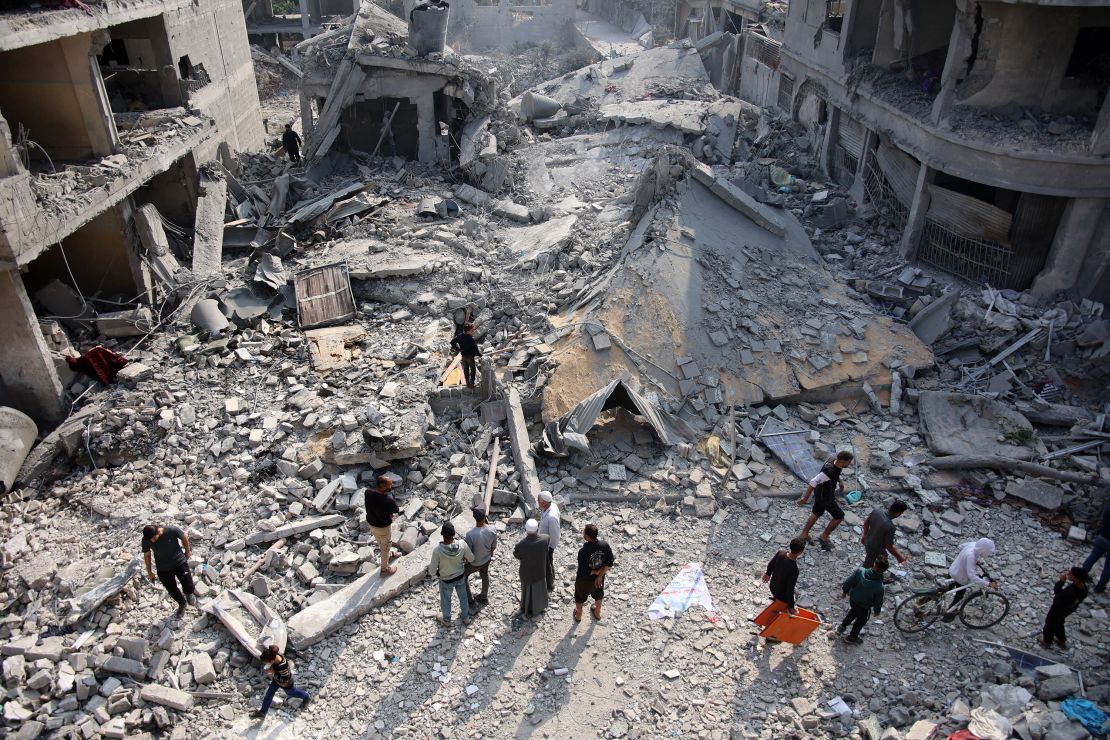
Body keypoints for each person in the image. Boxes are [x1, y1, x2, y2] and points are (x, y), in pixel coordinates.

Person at [797, 451, 853, 551]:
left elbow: (836, 473)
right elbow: (813, 482)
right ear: (845, 461)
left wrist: (840, 481)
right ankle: (824, 536)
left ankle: (804, 534)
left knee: (816, 513)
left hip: (819, 493)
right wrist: (805, 499)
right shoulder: (830, 471)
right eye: (849, 462)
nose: (849, 464)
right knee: (839, 516)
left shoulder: (832, 461)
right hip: (826, 497)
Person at [141, 524, 195, 617]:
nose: (152, 541)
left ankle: (189, 594)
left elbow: (184, 536)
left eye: (154, 538)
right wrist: (149, 572)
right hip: (163, 568)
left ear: (158, 531)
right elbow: (147, 555)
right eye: (150, 540)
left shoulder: (171, 530)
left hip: (179, 562)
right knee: (171, 589)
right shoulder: (146, 539)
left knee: (188, 583)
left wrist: (187, 551)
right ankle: (182, 603)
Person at [428, 523, 475, 626]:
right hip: (460, 576)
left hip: (446, 580)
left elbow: (431, 571)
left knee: (446, 600)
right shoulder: (462, 544)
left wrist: (437, 573)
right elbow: (471, 558)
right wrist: (464, 560)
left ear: (442, 535)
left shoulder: (437, 550)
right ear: (454, 534)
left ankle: (447, 620)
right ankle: (466, 618)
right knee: (463, 597)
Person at [943, 537, 997, 620]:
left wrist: (966, 559)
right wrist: (988, 584)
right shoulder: (971, 556)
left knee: (942, 591)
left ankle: (924, 601)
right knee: (959, 596)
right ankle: (948, 614)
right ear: (983, 550)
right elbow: (971, 576)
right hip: (960, 578)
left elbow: (960, 546)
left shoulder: (973, 544)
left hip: (953, 570)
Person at [251, 645, 311, 719]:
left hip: (286, 683)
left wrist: (272, 672)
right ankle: (263, 712)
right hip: (276, 680)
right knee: (269, 694)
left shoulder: (282, 666)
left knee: (291, 692)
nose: (266, 664)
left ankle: (306, 697)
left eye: (267, 662)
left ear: (272, 660)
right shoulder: (276, 655)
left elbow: (285, 679)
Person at [838, 557, 888, 644]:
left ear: (874, 564)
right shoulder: (880, 587)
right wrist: (877, 611)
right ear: (883, 570)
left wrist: (845, 591)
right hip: (864, 606)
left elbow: (849, 581)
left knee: (853, 612)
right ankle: (852, 637)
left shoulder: (860, 571)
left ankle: (842, 626)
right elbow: (878, 601)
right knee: (861, 621)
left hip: (853, 600)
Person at [573, 524, 615, 623]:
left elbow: (583, 571)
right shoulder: (604, 545)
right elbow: (609, 563)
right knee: (599, 595)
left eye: (584, 532)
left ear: (587, 536)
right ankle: (597, 613)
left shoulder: (583, 552)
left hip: (584, 581)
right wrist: (599, 575)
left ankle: (578, 615)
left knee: (579, 598)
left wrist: (594, 572)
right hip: (599, 579)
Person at [1039, 567, 1089, 649]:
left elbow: (1058, 595)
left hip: (1058, 609)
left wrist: (1061, 582)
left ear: (1076, 579)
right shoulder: (1084, 588)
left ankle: (1046, 641)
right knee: (1059, 623)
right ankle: (1061, 639)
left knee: (1050, 624)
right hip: (1069, 609)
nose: (1068, 574)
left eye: (1070, 574)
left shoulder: (1071, 592)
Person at [513, 519, 550, 618]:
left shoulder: (521, 545)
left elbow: (517, 555)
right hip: (540, 572)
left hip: (527, 573)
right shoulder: (545, 538)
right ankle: (540, 607)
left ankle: (526, 608)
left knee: (526, 591)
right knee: (539, 589)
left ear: (526, 529)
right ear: (537, 528)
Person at [364, 475, 400, 577]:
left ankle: (389, 554)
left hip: (372, 524)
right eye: (390, 485)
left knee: (381, 542)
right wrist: (389, 513)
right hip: (383, 528)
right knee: (385, 547)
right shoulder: (388, 500)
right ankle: (384, 570)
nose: (391, 486)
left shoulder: (368, 492)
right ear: (383, 487)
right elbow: (396, 510)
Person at [762, 537, 806, 616]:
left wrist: (768, 573)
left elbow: (771, 564)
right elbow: (789, 589)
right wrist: (791, 606)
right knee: (791, 599)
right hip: (781, 595)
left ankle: (775, 602)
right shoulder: (794, 570)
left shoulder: (780, 553)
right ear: (800, 552)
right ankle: (775, 613)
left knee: (780, 595)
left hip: (773, 587)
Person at [464, 508, 497, 608]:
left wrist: (465, 563)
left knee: (463, 577)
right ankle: (483, 597)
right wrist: (489, 554)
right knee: (484, 575)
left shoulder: (470, 535)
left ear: (474, 518)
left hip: (474, 563)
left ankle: (470, 601)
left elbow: (468, 554)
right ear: (485, 517)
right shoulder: (492, 529)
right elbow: (493, 546)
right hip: (486, 560)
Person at [861, 501, 909, 568]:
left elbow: (866, 523)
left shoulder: (877, 511)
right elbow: (889, 546)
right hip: (875, 548)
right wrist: (899, 557)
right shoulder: (890, 527)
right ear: (898, 513)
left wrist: (865, 535)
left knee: (874, 559)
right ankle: (862, 576)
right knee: (871, 564)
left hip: (868, 541)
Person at [1081, 501, 1109, 594]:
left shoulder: (1108, 507)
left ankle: (1081, 577)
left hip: (1103, 536)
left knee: (1092, 557)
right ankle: (1099, 587)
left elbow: (1103, 519)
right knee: (1108, 566)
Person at [537, 491, 561, 593]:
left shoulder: (551, 517)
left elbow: (555, 535)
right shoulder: (550, 506)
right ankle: (551, 576)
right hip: (543, 541)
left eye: (539, 501)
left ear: (544, 503)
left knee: (547, 563)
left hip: (547, 545)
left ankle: (550, 584)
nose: (538, 502)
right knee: (548, 562)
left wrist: (550, 548)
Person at [450, 323, 482, 389]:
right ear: (468, 331)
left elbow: (452, 342)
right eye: (472, 330)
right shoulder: (471, 339)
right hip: (470, 357)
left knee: (466, 369)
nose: (474, 331)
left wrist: (457, 349)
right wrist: (479, 355)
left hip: (463, 356)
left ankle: (467, 382)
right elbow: (475, 349)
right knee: (473, 369)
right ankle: (472, 383)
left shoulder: (460, 336)